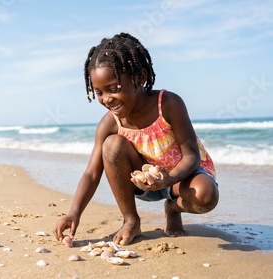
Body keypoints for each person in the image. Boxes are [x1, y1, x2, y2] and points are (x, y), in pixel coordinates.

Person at [53, 33, 219, 246]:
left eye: (114, 89)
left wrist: (169, 178)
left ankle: (173, 208)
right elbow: (92, 173)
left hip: (181, 177)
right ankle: (131, 220)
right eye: (99, 92)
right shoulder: (109, 123)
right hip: (141, 182)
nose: (106, 99)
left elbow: (191, 156)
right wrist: (73, 213)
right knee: (112, 145)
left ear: (139, 78)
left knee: (206, 196)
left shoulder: (169, 104)